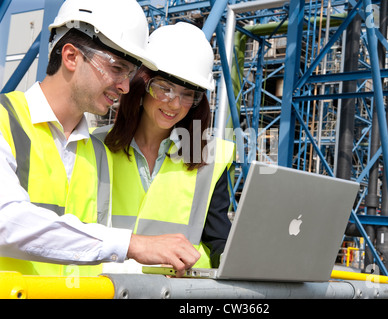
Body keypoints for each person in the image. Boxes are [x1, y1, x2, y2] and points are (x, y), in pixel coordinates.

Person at [0, 0, 200, 277]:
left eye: (129, 74)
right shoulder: (4, 120)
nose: (126, 87)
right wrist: (132, 243)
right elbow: (7, 222)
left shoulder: (97, 152)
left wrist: (161, 269)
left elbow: (97, 254)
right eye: (117, 68)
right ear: (71, 56)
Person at [98, 22, 234, 270]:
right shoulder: (96, 146)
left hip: (178, 290)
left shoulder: (211, 157)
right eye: (164, 88)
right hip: (107, 288)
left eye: (187, 94)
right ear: (142, 86)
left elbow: (218, 239)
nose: (174, 104)